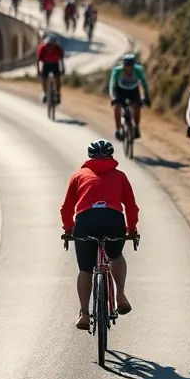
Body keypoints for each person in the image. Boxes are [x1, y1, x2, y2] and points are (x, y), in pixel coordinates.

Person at [60, 140, 139, 330]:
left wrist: (69, 229)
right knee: (115, 255)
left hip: (86, 221)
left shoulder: (79, 175)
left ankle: (84, 314)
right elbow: (131, 206)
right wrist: (131, 229)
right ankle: (120, 295)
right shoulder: (120, 176)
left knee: (85, 269)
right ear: (111, 156)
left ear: (90, 157)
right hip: (113, 219)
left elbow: (66, 208)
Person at [108, 53, 151, 141]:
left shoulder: (139, 70)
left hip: (133, 89)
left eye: (130, 66)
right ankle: (118, 129)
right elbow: (112, 85)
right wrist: (113, 98)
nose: (128, 68)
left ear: (134, 66)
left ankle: (136, 127)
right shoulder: (117, 71)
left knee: (137, 106)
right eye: (126, 66)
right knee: (117, 107)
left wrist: (146, 96)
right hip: (120, 90)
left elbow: (144, 83)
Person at [36, 32, 65, 104]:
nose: (49, 47)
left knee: (57, 78)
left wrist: (63, 69)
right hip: (46, 64)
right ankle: (45, 93)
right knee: (43, 78)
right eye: (48, 45)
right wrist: (38, 70)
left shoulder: (58, 49)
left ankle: (58, 94)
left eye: (51, 45)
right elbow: (38, 60)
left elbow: (61, 60)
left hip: (55, 64)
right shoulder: (42, 48)